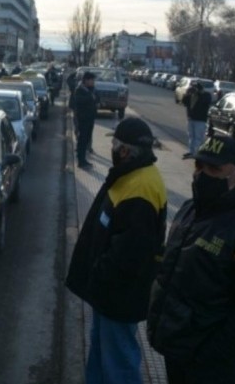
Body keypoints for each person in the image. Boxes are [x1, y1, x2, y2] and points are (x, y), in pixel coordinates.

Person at [147, 135, 235, 384]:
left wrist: (206, 357)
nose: (201, 174)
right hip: (177, 351)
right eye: (198, 166)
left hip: (213, 368)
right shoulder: (191, 207)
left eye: (213, 168)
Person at [66, 117, 167, 384]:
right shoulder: (131, 174)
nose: (111, 148)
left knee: (119, 361)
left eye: (114, 143)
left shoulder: (141, 187)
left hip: (118, 293)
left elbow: (130, 253)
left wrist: (98, 274)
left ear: (125, 150)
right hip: (109, 292)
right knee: (102, 352)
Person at [72, 71, 98, 168]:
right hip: (82, 119)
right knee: (82, 140)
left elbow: (96, 98)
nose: (93, 82)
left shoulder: (91, 89)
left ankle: (84, 159)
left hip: (90, 118)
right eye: (91, 80)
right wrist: (91, 98)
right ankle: (80, 161)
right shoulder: (80, 90)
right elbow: (80, 101)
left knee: (86, 139)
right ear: (86, 80)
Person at [181, 80, 210, 158]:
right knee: (191, 136)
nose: (193, 89)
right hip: (191, 119)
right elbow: (184, 102)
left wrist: (199, 93)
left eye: (195, 88)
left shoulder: (206, 95)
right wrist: (187, 93)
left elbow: (205, 101)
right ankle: (191, 152)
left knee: (198, 137)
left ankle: (198, 153)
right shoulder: (191, 95)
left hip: (200, 120)